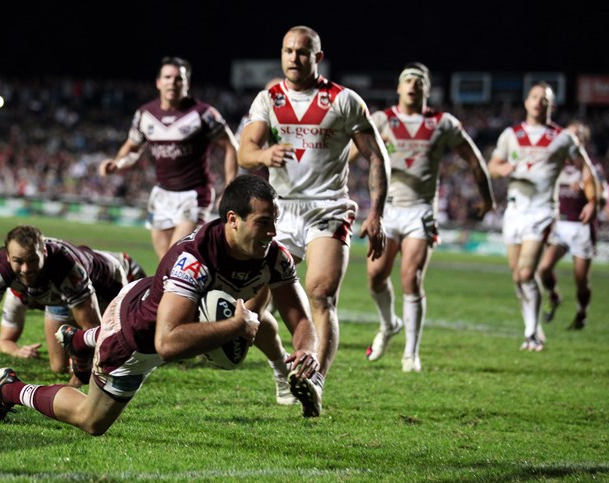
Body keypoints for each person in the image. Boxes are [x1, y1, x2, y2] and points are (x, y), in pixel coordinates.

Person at [0, 175, 322, 436]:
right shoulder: (194, 259)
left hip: (154, 304)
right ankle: (10, 389)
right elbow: (166, 343)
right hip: (135, 336)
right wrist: (235, 327)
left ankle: (81, 339)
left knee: (259, 322)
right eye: (264, 222)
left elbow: (300, 318)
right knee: (92, 421)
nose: (273, 232)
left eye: (275, 221)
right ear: (233, 220)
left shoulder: (274, 257)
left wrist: (306, 349)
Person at [237, 26, 389, 400]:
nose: (293, 57)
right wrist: (263, 156)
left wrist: (377, 214)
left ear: (317, 58)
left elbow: (377, 157)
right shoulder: (268, 100)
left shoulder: (343, 100)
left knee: (320, 293)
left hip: (328, 208)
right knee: (251, 309)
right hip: (279, 211)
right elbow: (245, 151)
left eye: (302, 52)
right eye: (288, 51)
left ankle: (314, 380)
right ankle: (280, 368)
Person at [361, 62, 495, 371]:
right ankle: (389, 324)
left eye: (418, 81)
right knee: (375, 276)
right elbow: (349, 156)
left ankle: (411, 352)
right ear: (398, 88)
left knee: (411, 278)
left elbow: (473, 157)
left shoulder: (442, 123)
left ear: (427, 88)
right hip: (388, 209)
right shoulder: (381, 120)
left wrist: (487, 199)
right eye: (407, 80)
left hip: (421, 209)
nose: (412, 85)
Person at [0, 225, 145, 384]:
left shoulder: (68, 269)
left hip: (105, 284)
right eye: (18, 261)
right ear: (8, 257)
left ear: (43, 253)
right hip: (60, 295)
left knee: (126, 343)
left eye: (32, 260)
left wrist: (81, 377)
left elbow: (92, 328)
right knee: (57, 367)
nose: (26, 269)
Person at [488, 82, 598, 351]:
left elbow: (587, 169)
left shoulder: (563, 138)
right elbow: (492, 166)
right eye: (535, 97)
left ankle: (531, 334)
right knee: (518, 276)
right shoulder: (510, 135)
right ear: (526, 102)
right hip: (514, 211)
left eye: (545, 99)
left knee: (527, 272)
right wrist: (504, 170)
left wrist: (593, 201)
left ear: (552, 106)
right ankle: (534, 327)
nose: (539, 102)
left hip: (542, 212)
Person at [99, 56, 238, 260]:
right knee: (166, 264)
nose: (172, 82)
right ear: (158, 82)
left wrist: (229, 187)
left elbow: (231, 146)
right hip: (162, 195)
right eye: (168, 77)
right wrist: (116, 164)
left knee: (177, 257)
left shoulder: (204, 114)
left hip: (194, 195)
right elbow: (132, 148)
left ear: (187, 84)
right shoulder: (145, 115)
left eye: (178, 78)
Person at [538, 121, 605, 330]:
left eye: (575, 135)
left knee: (581, 280)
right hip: (561, 224)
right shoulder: (558, 163)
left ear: (583, 141)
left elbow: (602, 197)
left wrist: (589, 191)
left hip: (581, 227)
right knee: (543, 269)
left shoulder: (592, 166)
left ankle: (581, 314)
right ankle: (554, 294)